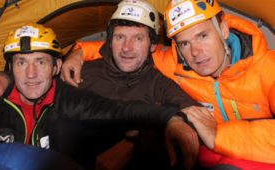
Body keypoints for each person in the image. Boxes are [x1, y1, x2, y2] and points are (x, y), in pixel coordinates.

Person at [54, 0, 275, 169]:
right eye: (185, 43)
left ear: (224, 30)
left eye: (203, 36)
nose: (196, 52)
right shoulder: (174, 62)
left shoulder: (269, 68)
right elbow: (125, 52)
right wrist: (79, 52)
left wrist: (217, 134)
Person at [0, 23, 199, 169]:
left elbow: (121, 110)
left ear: (56, 67)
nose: (31, 74)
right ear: (11, 69)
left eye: (40, 62)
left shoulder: (71, 99)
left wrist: (170, 118)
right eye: (21, 63)